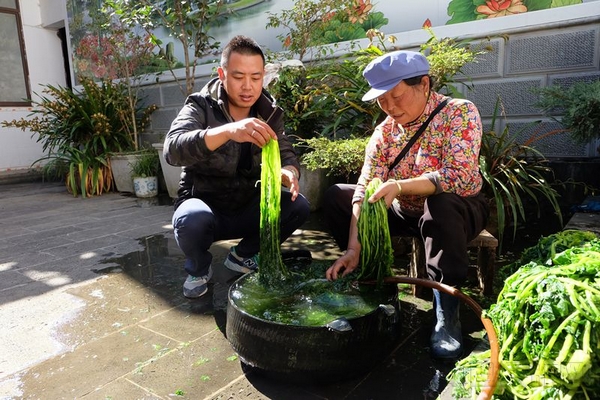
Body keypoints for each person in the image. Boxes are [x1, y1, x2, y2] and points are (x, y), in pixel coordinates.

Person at [323, 50, 489, 359]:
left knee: (440, 204)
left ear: (424, 84)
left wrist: (400, 185)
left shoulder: (459, 112)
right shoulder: (384, 132)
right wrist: (353, 247)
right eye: (381, 100)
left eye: (395, 96)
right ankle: (370, 280)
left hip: (457, 210)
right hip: (405, 209)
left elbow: (461, 176)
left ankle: (446, 312)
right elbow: (365, 187)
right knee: (338, 196)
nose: (389, 107)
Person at [164, 35, 310, 299]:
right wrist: (228, 131)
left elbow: (287, 152)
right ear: (222, 74)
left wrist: (289, 172)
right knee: (190, 220)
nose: (248, 87)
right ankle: (198, 268)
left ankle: (243, 256)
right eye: (238, 76)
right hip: (206, 207)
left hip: (249, 206)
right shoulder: (200, 105)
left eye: (255, 78)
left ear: (263, 76)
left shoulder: (270, 112)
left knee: (297, 205)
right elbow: (172, 149)